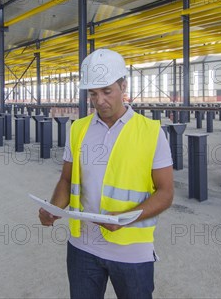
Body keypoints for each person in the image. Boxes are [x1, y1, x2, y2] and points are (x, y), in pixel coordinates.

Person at [38, 49, 174, 299]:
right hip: (82, 249)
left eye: (106, 91)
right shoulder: (78, 129)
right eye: (93, 93)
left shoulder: (152, 133)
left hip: (131, 251)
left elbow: (165, 193)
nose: (99, 100)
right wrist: (53, 209)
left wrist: (124, 218)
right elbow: (67, 180)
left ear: (123, 85)